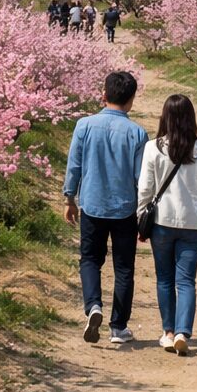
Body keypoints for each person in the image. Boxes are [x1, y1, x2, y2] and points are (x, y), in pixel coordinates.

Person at [63, 71, 148, 346]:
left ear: (104, 93)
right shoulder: (137, 133)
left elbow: (74, 165)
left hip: (92, 204)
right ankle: (118, 327)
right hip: (125, 208)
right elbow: (140, 178)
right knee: (124, 268)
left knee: (90, 259)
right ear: (131, 100)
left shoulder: (84, 125)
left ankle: (93, 306)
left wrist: (69, 199)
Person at [137, 94, 197, 355]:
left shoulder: (154, 148)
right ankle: (184, 331)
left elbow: (145, 187)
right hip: (193, 223)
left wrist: (141, 217)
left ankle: (168, 332)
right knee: (186, 281)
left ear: (165, 117)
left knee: (164, 279)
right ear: (190, 118)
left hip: (161, 221)